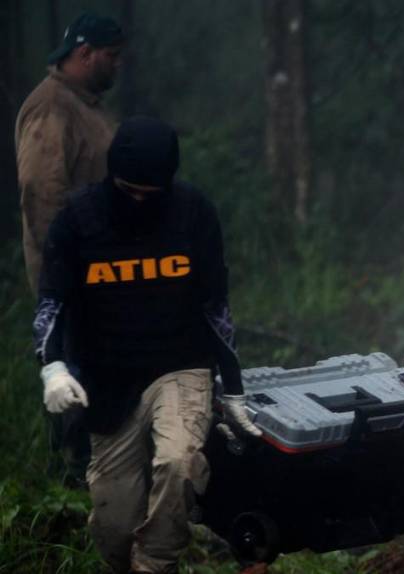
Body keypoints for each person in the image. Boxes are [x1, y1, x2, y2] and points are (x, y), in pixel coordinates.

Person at [33, 117, 262, 574]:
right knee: (115, 525)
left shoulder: (194, 214)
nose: (138, 201)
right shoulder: (78, 221)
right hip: (108, 378)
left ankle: (157, 561)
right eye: (128, 190)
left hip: (180, 365)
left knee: (178, 463)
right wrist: (53, 366)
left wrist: (232, 387)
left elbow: (215, 306)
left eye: (149, 194)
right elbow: (52, 301)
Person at [15, 11, 124, 485]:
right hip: (73, 279)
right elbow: (43, 198)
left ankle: (105, 475)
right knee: (70, 380)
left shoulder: (87, 105)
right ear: (85, 54)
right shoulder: (51, 108)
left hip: (104, 278)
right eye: (111, 57)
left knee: (102, 379)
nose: (117, 66)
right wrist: (69, 275)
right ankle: (73, 487)